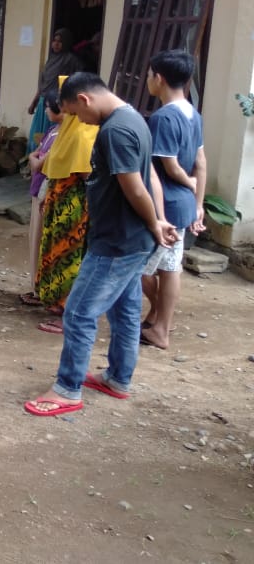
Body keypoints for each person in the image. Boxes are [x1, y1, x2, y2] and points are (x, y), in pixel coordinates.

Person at [25, 72, 176, 417]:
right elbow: (149, 175)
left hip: (117, 241)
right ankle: (118, 378)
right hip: (130, 238)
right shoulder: (134, 118)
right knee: (125, 311)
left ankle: (67, 388)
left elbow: (134, 185)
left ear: (84, 99)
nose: (79, 120)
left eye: (76, 113)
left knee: (79, 312)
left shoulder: (115, 130)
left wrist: (154, 222)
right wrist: (158, 218)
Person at [140, 50, 206, 350]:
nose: (147, 80)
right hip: (184, 205)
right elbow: (201, 162)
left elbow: (170, 166)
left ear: (159, 78)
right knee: (170, 268)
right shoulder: (193, 113)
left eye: (149, 75)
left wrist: (189, 183)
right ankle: (160, 325)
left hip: (164, 205)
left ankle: (158, 318)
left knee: (137, 268)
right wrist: (198, 202)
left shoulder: (163, 117)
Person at [32, 76, 99, 333]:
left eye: (64, 100)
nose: (61, 106)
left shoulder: (82, 132)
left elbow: (85, 173)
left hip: (74, 207)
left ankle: (68, 314)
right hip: (60, 202)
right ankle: (60, 305)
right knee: (58, 255)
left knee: (70, 259)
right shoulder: (68, 130)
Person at [19, 89, 63, 307]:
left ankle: (40, 289)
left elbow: (38, 162)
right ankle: (35, 286)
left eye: (47, 107)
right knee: (34, 239)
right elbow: (36, 156)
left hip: (47, 192)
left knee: (42, 240)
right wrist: (35, 157)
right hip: (39, 190)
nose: (45, 111)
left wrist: (34, 158)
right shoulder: (53, 131)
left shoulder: (63, 136)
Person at [27, 28, 82, 152]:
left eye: (60, 41)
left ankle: (46, 160)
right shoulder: (51, 59)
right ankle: (34, 159)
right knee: (37, 134)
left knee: (50, 136)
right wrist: (34, 102)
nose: (56, 44)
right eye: (54, 40)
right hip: (43, 103)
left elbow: (78, 78)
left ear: (66, 43)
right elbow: (43, 84)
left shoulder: (71, 59)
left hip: (55, 104)